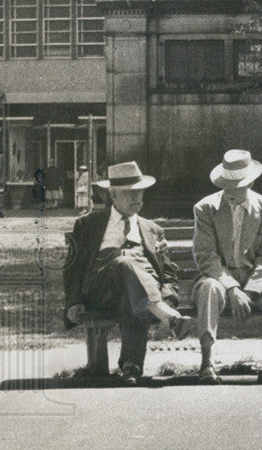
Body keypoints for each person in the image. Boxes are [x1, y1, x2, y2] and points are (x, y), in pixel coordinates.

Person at [63, 161, 195, 385]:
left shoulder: (153, 229)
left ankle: (131, 366)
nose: (138, 199)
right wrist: (73, 303)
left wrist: (170, 297)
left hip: (142, 288)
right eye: (130, 193)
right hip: (101, 285)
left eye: (140, 192)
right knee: (124, 263)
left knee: (134, 292)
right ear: (113, 195)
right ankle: (165, 315)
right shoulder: (88, 224)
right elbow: (73, 269)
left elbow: (168, 270)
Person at [191, 150, 262, 384]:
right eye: (227, 185)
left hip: (257, 282)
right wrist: (233, 289)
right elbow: (206, 256)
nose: (231, 191)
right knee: (208, 289)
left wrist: (251, 290)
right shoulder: (205, 208)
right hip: (219, 281)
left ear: (251, 182)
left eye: (238, 185)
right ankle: (207, 364)